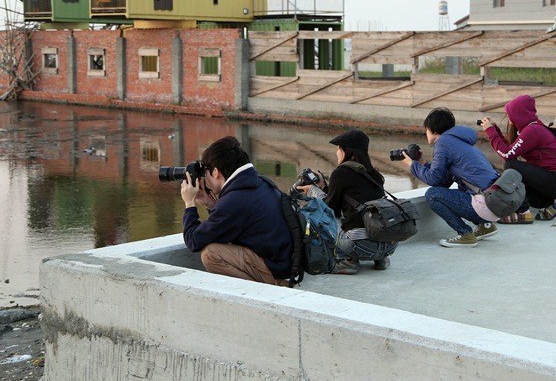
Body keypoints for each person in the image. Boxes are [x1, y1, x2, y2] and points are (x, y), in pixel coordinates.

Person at [181, 136, 293, 286]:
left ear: (215, 172)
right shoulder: (259, 182)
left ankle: (259, 292)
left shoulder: (234, 200)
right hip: (287, 265)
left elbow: (193, 241)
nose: (204, 179)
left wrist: (189, 203)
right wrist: (209, 203)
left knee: (211, 254)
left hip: (278, 274)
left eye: (205, 173)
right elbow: (228, 221)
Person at [295, 129, 397, 275]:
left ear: (346, 151)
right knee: (366, 216)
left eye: (338, 148)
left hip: (361, 246)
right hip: (389, 245)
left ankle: (348, 261)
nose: (337, 152)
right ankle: (380, 259)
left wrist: (312, 190)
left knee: (321, 217)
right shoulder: (374, 174)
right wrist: (325, 185)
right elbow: (351, 196)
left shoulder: (341, 172)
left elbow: (329, 209)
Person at [402, 107, 500, 248]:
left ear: (433, 130)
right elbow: (444, 182)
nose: (426, 133)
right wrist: (422, 163)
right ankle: (486, 226)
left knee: (432, 195)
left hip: (485, 204)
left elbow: (434, 180)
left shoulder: (442, 143)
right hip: (493, 201)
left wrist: (412, 165)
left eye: (426, 130)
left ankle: (466, 234)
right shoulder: (457, 141)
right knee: (440, 193)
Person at [480, 94, 556, 220]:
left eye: (510, 114)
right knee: (521, 185)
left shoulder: (532, 130)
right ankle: (550, 205)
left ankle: (523, 213)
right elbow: (510, 149)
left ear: (519, 114)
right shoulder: (532, 127)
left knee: (511, 166)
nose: (508, 117)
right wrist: (495, 129)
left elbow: (507, 155)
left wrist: (491, 132)